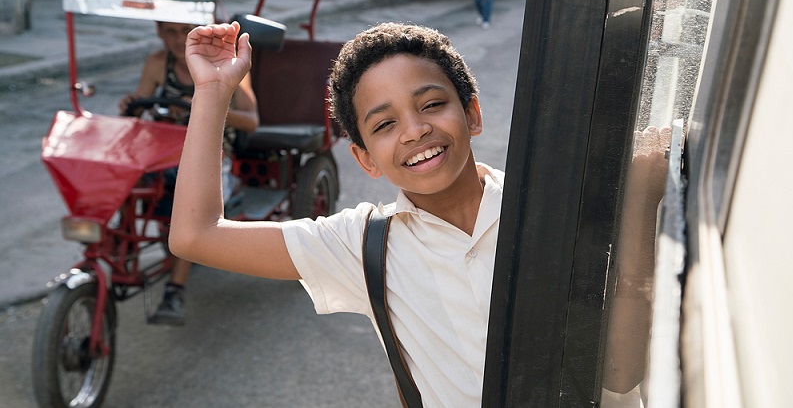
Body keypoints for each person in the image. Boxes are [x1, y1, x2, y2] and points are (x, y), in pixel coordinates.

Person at [169, 21, 665, 405]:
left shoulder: (551, 212)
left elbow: (620, 374)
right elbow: (196, 235)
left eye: (431, 104)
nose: (414, 131)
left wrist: (641, 202)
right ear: (365, 160)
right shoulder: (363, 245)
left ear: (471, 113)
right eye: (384, 124)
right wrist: (214, 90)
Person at [119, 20, 259, 326]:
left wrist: (204, 104)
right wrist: (132, 105)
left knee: (189, 208)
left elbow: (251, 121)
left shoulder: (226, 62)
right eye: (168, 32)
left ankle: (174, 289)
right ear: (158, 32)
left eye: (184, 31)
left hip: (211, 153)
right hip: (161, 151)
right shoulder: (158, 63)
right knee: (120, 175)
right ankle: (120, 247)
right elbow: (139, 107)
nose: (176, 39)